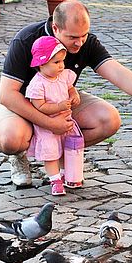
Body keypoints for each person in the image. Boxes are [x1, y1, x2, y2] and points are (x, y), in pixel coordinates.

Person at [0, 0, 132, 187]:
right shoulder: (26, 39)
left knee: (109, 120)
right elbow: (7, 95)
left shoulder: (86, 42)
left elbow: (115, 70)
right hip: (22, 103)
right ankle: (19, 157)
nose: (80, 42)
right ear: (55, 28)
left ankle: (62, 155)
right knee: (11, 139)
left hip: (61, 100)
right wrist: (50, 124)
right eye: (73, 37)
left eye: (84, 35)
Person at [25, 36, 82, 195]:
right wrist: (58, 106)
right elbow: (40, 106)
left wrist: (74, 94)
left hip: (66, 121)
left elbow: (70, 87)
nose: (61, 66)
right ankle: (55, 179)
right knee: (51, 153)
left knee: (66, 149)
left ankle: (66, 174)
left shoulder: (63, 76)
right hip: (47, 126)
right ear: (41, 63)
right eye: (56, 62)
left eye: (62, 61)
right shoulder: (37, 84)